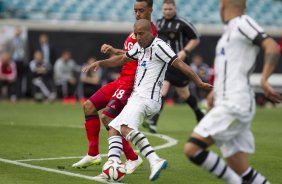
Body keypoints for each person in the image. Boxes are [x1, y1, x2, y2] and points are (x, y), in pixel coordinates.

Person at [82, 19, 212, 181]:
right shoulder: (139, 46)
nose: (138, 37)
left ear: (151, 32)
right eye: (135, 34)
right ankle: (112, 166)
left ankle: (154, 159)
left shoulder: (159, 46)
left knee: (125, 128)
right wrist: (102, 62)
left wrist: (198, 82)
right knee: (113, 126)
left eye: (141, 34)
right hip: (138, 97)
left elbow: (180, 64)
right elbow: (122, 59)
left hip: (148, 98)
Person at [184, 0, 281, 183]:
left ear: (223, 5)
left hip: (235, 102)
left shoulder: (242, 22)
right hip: (227, 100)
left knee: (192, 149)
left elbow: (271, 46)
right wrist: (215, 93)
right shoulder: (227, 33)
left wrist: (264, 79)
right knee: (242, 170)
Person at [72, 0, 157, 175]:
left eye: (141, 10)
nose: (137, 13)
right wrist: (113, 50)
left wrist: (107, 58)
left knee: (108, 118)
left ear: (150, 10)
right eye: (135, 10)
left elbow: (137, 56)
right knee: (88, 106)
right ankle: (93, 154)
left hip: (130, 83)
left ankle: (132, 157)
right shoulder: (137, 29)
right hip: (121, 80)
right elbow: (130, 54)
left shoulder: (150, 32)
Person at [145, 0, 203, 133]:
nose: (167, 12)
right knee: (163, 89)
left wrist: (185, 51)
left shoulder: (182, 23)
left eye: (170, 9)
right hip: (165, 63)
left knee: (184, 94)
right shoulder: (159, 22)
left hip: (180, 64)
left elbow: (196, 38)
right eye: (165, 9)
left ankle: (199, 114)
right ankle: (153, 122)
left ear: (175, 9)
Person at [5, 27, 27, 99]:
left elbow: (26, 51)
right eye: (17, 30)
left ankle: (19, 94)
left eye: (19, 31)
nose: (18, 32)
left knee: (21, 78)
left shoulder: (23, 41)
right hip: (13, 61)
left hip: (21, 60)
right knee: (13, 78)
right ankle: (12, 94)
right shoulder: (10, 40)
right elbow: (7, 51)